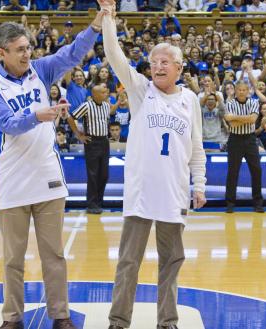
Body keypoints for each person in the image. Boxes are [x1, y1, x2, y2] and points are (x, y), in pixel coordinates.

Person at [0, 8, 105, 329]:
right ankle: (12, 318)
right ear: (2, 53)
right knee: (13, 259)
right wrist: (39, 116)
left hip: (48, 177)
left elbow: (73, 53)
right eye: (20, 49)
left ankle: (60, 315)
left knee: (54, 255)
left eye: (28, 47)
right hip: (11, 181)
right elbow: (7, 124)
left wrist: (96, 22)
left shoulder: (41, 69)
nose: (27, 54)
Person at [102, 3, 207, 329]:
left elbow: (197, 147)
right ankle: (118, 321)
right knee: (128, 262)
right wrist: (108, 17)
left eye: (165, 62)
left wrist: (199, 184)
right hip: (141, 193)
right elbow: (114, 55)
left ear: (179, 67)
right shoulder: (139, 90)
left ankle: (168, 322)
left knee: (171, 262)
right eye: (154, 62)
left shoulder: (190, 100)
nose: (158, 67)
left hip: (175, 194)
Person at [67, 83, 112, 214]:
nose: (106, 94)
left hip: (104, 141)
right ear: (95, 94)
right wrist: (78, 135)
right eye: (103, 92)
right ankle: (92, 205)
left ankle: (99, 202)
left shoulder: (106, 105)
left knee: (104, 174)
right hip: (92, 142)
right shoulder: (87, 105)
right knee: (93, 174)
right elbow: (70, 117)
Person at [224, 81, 264, 213]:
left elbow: (253, 120)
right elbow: (232, 125)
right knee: (233, 172)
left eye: (244, 90)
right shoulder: (230, 103)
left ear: (248, 91)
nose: (241, 92)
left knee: (256, 170)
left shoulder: (254, 102)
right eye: (239, 90)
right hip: (235, 140)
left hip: (250, 139)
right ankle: (230, 203)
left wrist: (235, 118)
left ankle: (258, 203)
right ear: (235, 91)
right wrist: (244, 119)